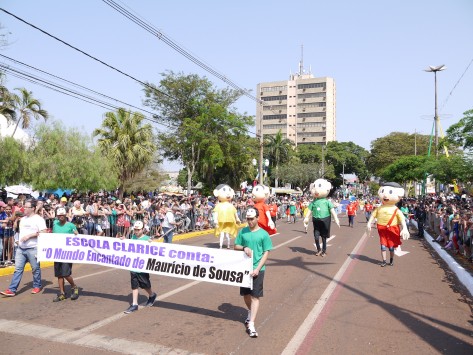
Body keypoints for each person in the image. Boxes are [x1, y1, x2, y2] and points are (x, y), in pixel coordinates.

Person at [234, 207, 273, 338]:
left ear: (257, 218)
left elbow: (266, 252)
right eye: (248, 219)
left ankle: (251, 324)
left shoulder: (263, 234)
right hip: (244, 269)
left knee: (255, 296)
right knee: (246, 295)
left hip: (258, 269)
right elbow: (236, 246)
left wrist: (257, 269)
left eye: (252, 219)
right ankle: (250, 312)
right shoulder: (243, 231)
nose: (249, 221)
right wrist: (244, 247)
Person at [1, 199, 47, 296]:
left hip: (33, 248)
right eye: (24, 206)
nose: (24, 208)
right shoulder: (23, 219)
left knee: (35, 268)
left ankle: (37, 285)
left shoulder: (39, 219)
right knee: (18, 269)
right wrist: (17, 240)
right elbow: (18, 230)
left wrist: (30, 236)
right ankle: (12, 289)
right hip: (21, 249)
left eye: (26, 207)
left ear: (33, 208)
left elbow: (44, 232)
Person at [367, 182, 410, 267]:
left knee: (391, 247)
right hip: (382, 229)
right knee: (383, 246)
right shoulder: (379, 208)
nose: (385, 196)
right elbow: (373, 215)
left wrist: (404, 228)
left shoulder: (396, 209)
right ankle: (384, 261)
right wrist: (369, 223)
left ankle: (391, 260)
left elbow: (402, 219)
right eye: (383, 192)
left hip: (392, 229)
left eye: (390, 193)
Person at [121, 221, 157, 314]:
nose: (136, 231)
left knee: (145, 285)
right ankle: (134, 304)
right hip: (133, 266)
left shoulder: (147, 239)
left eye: (138, 230)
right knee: (134, 285)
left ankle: (152, 295)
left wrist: (152, 243)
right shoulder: (132, 237)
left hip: (142, 267)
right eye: (135, 230)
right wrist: (123, 240)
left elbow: (155, 249)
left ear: (142, 230)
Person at [304, 179, 340, 257]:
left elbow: (332, 211)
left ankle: (324, 251)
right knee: (316, 237)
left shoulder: (327, 202)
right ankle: (318, 249)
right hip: (316, 220)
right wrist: (306, 218)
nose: (316, 190)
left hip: (325, 220)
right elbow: (309, 210)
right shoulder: (313, 202)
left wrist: (336, 219)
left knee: (324, 237)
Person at [52, 207, 80, 302]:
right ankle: (62, 293)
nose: (61, 217)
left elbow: (77, 238)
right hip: (57, 252)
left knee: (66, 273)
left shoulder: (71, 225)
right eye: (59, 215)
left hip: (67, 253)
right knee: (59, 274)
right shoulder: (55, 224)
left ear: (65, 216)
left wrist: (76, 234)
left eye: (62, 215)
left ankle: (74, 287)